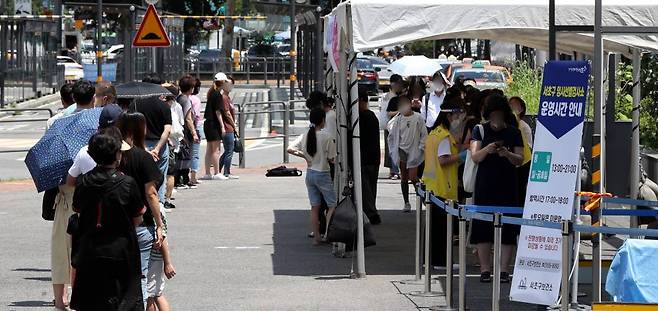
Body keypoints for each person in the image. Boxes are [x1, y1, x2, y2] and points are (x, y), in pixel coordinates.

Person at [69, 132, 144, 311]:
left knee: (92, 302)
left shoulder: (84, 182)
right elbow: (138, 217)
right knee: (125, 300)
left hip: (90, 250)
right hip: (121, 250)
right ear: (117, 154)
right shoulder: (127, 183)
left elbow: (77, 208)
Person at [49, 79, 96, 310]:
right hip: (91, 194)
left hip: (64, 194)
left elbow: (49, 161)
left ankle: (60, 300)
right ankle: (81, 295)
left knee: (60, 250)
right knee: (85, 249)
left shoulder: (57, 122)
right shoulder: (98, 122)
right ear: (94, 98)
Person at [469, 94, 524, 283]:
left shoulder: (513, 132)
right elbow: (475, 156)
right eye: (493, 115)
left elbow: (520, 159)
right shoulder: (479, 130)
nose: (496, 119)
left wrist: (506, 153)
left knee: (508, 228)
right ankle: (485, 269)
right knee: (483, 227)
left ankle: (503, 270)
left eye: (499, 115)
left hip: (508, 183)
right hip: (485, 183)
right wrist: (488, 149)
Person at [117, 112, 165, 306]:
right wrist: (160, 224)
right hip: (141, 224)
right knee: (141, 276)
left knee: (120, 277)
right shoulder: (142, 158)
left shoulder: (114, 157)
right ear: (137, 130)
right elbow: (151, 194)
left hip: (116, 223)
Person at [423, 98, 466, 268]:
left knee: (433, 228)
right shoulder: (444, 137)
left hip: (432, 185)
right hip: (443, 187)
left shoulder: (434, 133)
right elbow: (443, 160)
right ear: (450, 116)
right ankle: (441, 261)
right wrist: (463, 156)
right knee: (442, 228)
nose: (459, 120)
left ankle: (430, 260)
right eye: (458, 116)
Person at [287, 108, 337, 245]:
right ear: (323, 120)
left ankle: (316, 237)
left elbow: (289, 148)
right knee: (332, 205)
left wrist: (304, 156)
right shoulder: (327, 137)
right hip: (323, 173)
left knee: (315, 207)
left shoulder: (305, 135)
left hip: (310, 173)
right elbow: (332, 159)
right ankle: (327, 233)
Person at [129, 75, 172, 204]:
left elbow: (131, 128)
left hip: (140, 145)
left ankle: (143, 205)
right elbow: (167, 130)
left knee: (140, 176)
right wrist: (157, 148)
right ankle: (159, 205)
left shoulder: (135, 104)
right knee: (160, 178)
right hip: (160, 145)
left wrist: (144, 148)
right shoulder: (163, 106)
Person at [387, 95, 428, 212]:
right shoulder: (398, 119)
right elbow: (392, 134)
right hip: (402, 150)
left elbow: (424, 134)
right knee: (404, 177)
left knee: (413, 177)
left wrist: (421, 147)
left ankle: (423, 199)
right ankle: (406, 202)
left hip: (414, 150)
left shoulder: (418, 118)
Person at [358, 90, 382, 225]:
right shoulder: (371, 116)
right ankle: (371, 212)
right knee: (370, 187)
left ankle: (371, 214)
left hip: (366, 158)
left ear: (361, 101)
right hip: (373, 158)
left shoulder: (364, 117)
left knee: (366, 188)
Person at [146, 208, 176, 311]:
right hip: (157, 257)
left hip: (152, 257)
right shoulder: (159, 206)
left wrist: (167, 263)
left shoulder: (153, 209)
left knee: (149, 295)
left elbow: (161, 237)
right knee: (157, 294)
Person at [202, 73, 229, 180]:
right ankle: (217, 172)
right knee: (216, 150)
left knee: (209, 149)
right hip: (214, 124)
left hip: (208, 123)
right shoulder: (217, 94)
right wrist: (222, 126)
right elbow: (218, 111)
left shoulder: (211, 92)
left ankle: (208, 173)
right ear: (222, 82)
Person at [176, 75, 200, 187]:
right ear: (190, 88)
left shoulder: (179, 98)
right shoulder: (186, 100)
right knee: (186, 155)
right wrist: (194, 133)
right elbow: (188, 118)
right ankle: (183, 179)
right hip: (185, 131)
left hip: (179, 130)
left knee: (181, 154)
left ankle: (182, 179)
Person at [509, 96, 534, 204]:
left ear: (522, 108)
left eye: (515, 105)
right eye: (510, 104)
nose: (512, 107)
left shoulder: (524, 127)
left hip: (522, 165)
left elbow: (528, 146)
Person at [380, 74, 405, 179]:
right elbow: (389, 113)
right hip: (391, 126)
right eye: (399, 84)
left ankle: (394, 170)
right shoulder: (391, 97)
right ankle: (394, 170)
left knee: (392, 148)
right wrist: (400, 111)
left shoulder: (387, 96)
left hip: (389, 125)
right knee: (392, 148)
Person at [163, 84, 184, 207]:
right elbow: (181, 122)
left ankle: (161, 198)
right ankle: (167, 200)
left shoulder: (160, 107)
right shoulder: (177, 107)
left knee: (162, 171)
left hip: (162, 141)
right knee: (170, 172)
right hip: (172, 141)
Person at [218, 76, 239, 179]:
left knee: (227, 150)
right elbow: (227, 113)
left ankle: (219, 171)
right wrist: (234, 125)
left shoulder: (228, 97)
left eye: (230, 84)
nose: (229, 86)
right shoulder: (224, 98)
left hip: (229, 127)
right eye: (227, 84)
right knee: (229, 150)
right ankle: (227, 172)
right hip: (227, 127)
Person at [189, 78, 204, 185]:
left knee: (184, 153)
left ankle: (183, 176)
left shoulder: (182, 98)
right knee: (194, 153)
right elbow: (196, 115)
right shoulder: (196, 100)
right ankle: (193, 177)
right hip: (196, 127)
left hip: (185, 128)